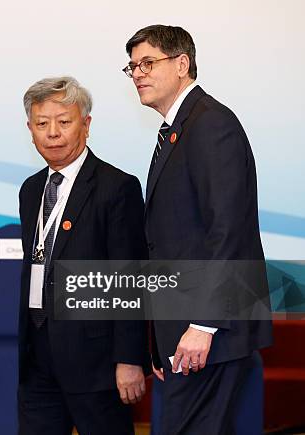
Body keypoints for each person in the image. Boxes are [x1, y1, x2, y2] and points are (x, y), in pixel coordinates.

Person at [123, 25, 273, 434]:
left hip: (209, 332)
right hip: (186, 330)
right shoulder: (178, 129)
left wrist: (202, 325)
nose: (138, 74)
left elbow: (228, 232)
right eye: (132, 66)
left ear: (182, 64)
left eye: (148, 63)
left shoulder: (210, 125)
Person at [17, 76, 149, 435]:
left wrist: (129, 359)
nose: (53, 133)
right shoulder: (30, 190)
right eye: (42, 124)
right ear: (30, 130)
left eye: (64, 121)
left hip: (96, 360)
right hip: (37, 354)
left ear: (86, 125)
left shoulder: (116, 188)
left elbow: (130, 279)